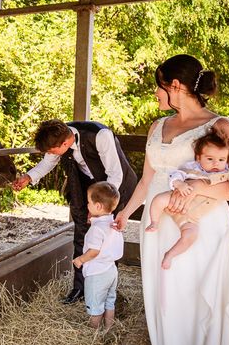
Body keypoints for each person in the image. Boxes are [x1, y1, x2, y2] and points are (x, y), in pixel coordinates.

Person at [114, 54, 229, 345]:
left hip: (202, 230)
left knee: (197, 310)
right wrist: (124, 211)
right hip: (159, 230)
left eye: (159, 85)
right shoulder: (157, 126)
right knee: (167, 311)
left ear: (176, 87)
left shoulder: (220, 126)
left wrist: (196, 190)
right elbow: (149, 180)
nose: (155, 93)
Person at [13, 119, 137, 304]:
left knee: (106, 238)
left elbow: (115, 174)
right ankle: (80, 288)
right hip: (85, 188)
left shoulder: (100, 136)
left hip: (113, 190)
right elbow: (48, 162)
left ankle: (104, 289)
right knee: (81, 234)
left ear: (64, 143)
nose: (51, 154)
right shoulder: (61, 136)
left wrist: (100, 207)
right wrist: (28, 177)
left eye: (52, 150)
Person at [146, 129, 229, 269]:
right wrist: (179, 184)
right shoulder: (192, 168)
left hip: (191, 217)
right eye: (210, 159)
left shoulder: (227, 173)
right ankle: (154, 222)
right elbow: (176, 175)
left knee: (191, 235)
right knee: (158, 200)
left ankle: (170, 255)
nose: (216, 164)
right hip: (175, 202)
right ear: (199, 158)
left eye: (221, 160)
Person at [73, 181, 123, 329]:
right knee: (109, 301)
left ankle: (93, 333)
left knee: (95, 306)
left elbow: (94, 251)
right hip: (111, 270)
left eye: (89, 202)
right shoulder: (114, 225)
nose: (87, 205)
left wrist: (80, 259)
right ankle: (108, 329)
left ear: (98, 206)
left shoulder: (96, 230)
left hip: (97, 273)